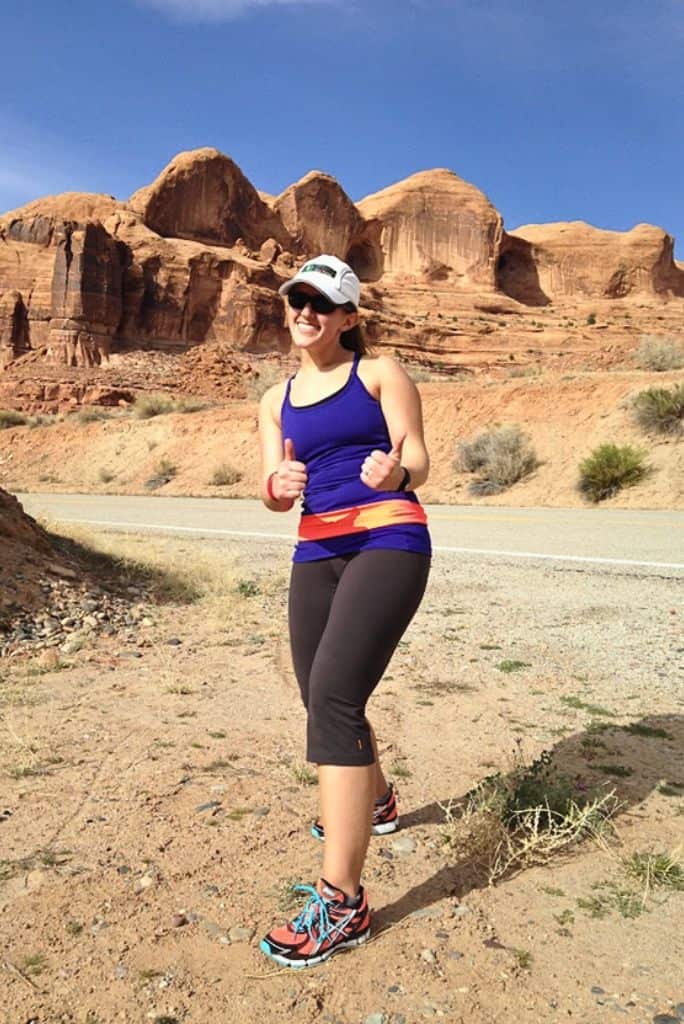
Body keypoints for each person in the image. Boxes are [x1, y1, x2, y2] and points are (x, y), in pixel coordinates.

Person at [258, 254, 431, 968]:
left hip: (389, 537)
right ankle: (379, 800)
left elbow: (419, 458)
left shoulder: (381, 373)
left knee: (332, 695)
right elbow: (268, 491)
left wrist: (396, 470)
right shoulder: (275, 399)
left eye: (321, 304)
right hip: (314, 550)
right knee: (319, 694)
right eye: (297, 301)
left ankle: (343, 903)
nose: (305, 313)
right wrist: (277, 481)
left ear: (349, 317)